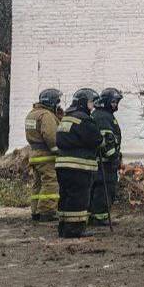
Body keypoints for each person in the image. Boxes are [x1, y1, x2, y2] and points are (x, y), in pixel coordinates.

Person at [55, 88, 102, 239]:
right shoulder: (84, 119)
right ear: (83, 103)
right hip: (79, 167)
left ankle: (63, 227)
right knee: (79, 198)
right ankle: (75, 229)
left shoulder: (66, 119)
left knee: (65, 195)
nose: (92, 106)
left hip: (62, 166)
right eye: (90, 103)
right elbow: (96, 139)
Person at [24, 88, 62, 222]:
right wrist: (58, 150)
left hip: (34, 154)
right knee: (51, 183)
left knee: (37, 184)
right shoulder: (46, 115)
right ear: (51, 102)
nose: (58, 104)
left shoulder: (32, 114)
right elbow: (51, 136)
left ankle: (35, 211)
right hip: (46, 155)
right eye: (57, 101)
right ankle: (47, 212)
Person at [89, 88, 123, 227]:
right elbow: (107, 139)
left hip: (102, 161)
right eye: (114, 102)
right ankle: (100, 217)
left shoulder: (103, 115)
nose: (115, 105)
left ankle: (94, 215)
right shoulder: (103, 117)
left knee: (99, 189)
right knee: (104, 189)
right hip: (105, 163)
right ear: (106, 102)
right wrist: (114, 157)